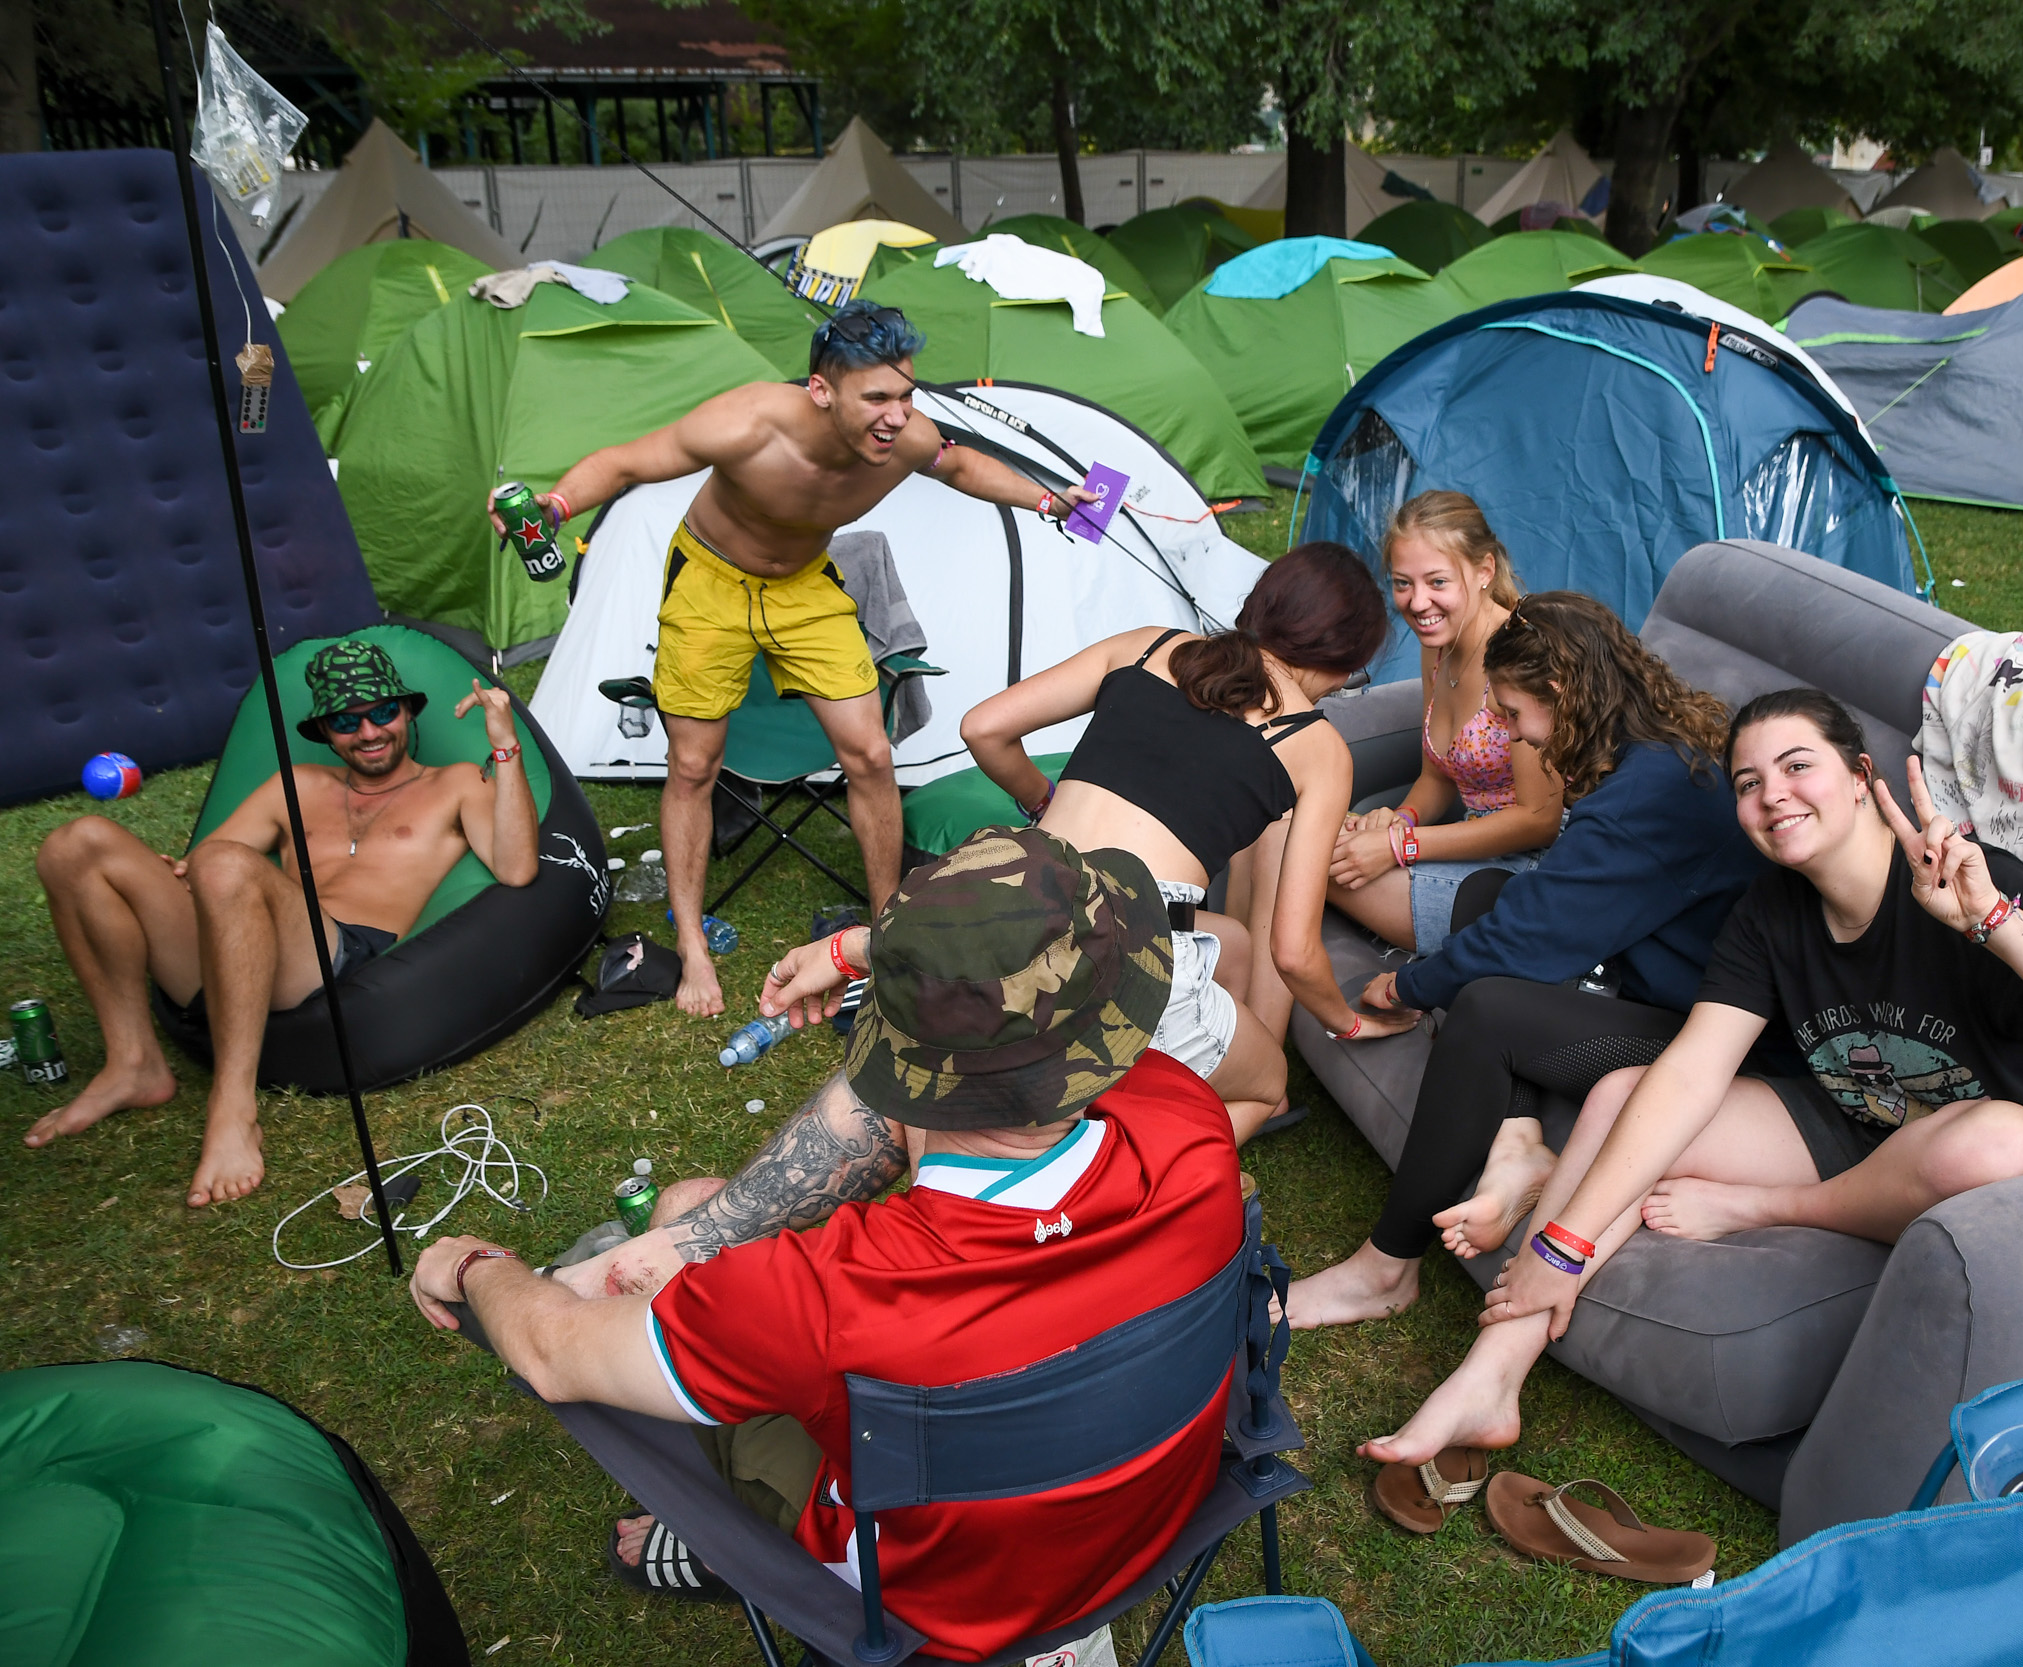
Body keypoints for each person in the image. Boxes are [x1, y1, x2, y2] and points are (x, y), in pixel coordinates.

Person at [410, 828, 1245, 1662]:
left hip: (935, 1604)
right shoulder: (1190, 1126)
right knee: (694, 1216)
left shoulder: (816, 1296)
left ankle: (723, 1542)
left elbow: (552, 1353)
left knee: (676, 1222)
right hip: (1141, 1527)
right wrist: (862, 952)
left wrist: (475, 1264)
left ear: (905, 1066)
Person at [1358, 688, 2023, 1472]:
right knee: (1624, 1094)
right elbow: (1689, 1073)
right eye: (1749, 783)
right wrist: (1563, 1245)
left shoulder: (1964, 878)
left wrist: (1992, 919)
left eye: (1797, 766)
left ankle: (1772, 1206)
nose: (1772, 795)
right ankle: (1490, 1378)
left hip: (2019, 1160)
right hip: (1866, 1126)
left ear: (1859, 777)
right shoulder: (1769, 910)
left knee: (1998, 1143)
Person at [494, 300, 1096, 1018]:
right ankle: (692, 943)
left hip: (805, 586)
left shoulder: (907, 437)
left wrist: (1051, 501)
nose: (897, 416)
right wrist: (556, 507)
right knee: (694, 765)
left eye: (906, 395)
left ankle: (888, 935)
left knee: (870, 754)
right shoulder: (746, 424)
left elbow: (960, 464)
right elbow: (625, 462)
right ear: (821, 390)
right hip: (710, 581)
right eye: (876, 398)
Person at [1286, 593, 1765, 1326]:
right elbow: (1548, 906)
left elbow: (1530, 939)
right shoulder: (1647, 750)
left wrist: (1410, 985)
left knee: (1486, 1006)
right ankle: (1520, 1146)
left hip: (1711, 1032)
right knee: (1489, 901)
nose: (1512, 734)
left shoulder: (1653, 790)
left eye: (1512, 713)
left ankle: (1385, 1269)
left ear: (1563, 691)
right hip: (1647, 967)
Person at [29, 641, 540, 1207]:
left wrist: (504, 744)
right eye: (346, 721)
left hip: (335, 952)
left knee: (225, 865)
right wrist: (170, 873)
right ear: (324, 730)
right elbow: (203, 864)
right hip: (242, 944)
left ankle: (234, 1108)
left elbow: (518, 868)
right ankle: (133, 1061)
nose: (369, 732)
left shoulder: (455, 784)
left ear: (407, 711)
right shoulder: (295, 785)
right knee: (74, 844)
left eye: (382, 712)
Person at [961, 542, 1409, 1142]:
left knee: (1233, 943)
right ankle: (1131, 1170)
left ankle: (1172, 1078)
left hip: (1019, 902)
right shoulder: (1316, 746)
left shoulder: (1149, 646)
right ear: (1342, 659)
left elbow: (983, 728)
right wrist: (1347, 1023)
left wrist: (1046, 801)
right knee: (1267, 1084)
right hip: (1124, 947)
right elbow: (1295, 953)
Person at [1327, 492, 1563, 955]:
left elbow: (1540, 821)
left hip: (1527, 872)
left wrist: (1401, 846)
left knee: (1299, 855)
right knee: (1285, 827)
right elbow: (1437, 776)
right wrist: (1399, 821)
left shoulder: (1524, 656)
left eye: (1437, 581)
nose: (1418, 602)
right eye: (1402, 583)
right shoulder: (1438, 645)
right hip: (1459, 843)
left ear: (1484, 570)